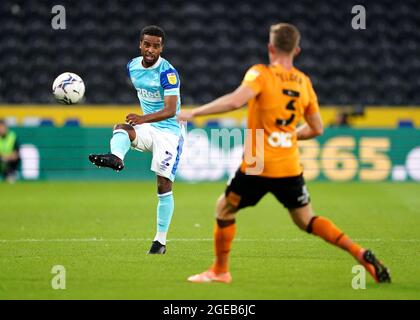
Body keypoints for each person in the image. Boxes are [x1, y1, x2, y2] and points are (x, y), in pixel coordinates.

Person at [178, 23, 390, 283]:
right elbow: (317, 128)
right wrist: (289, 135)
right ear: (297, 50)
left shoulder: (260, 74)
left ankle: (220, 271)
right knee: (306, 220)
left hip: (258, 162)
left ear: (270, 47)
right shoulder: (304, 82)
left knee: (224, 209)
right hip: (289, 165)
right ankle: (358, 251)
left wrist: (194, 112)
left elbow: (235, 101)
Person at [89, 25, 185, 254]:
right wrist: (143, 122)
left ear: (162, 47)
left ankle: (160, 241)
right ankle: (116, 158)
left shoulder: (168, 73)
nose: (151, 49)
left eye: (156, 46)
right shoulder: (132, 65)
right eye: (147, 44)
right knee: (122, 128)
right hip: (148, 127)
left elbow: (171, 109)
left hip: (170, 133)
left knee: (163, 186)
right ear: (140, 44)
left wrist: (142, 118)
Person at [0, 119, 20, 183]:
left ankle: (11, 175)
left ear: (6, 127)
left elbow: (16, 152)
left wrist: (6, 157)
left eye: (2, 127)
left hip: (9, 159)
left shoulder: (12, 136)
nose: (1, 129)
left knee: (16, 158)